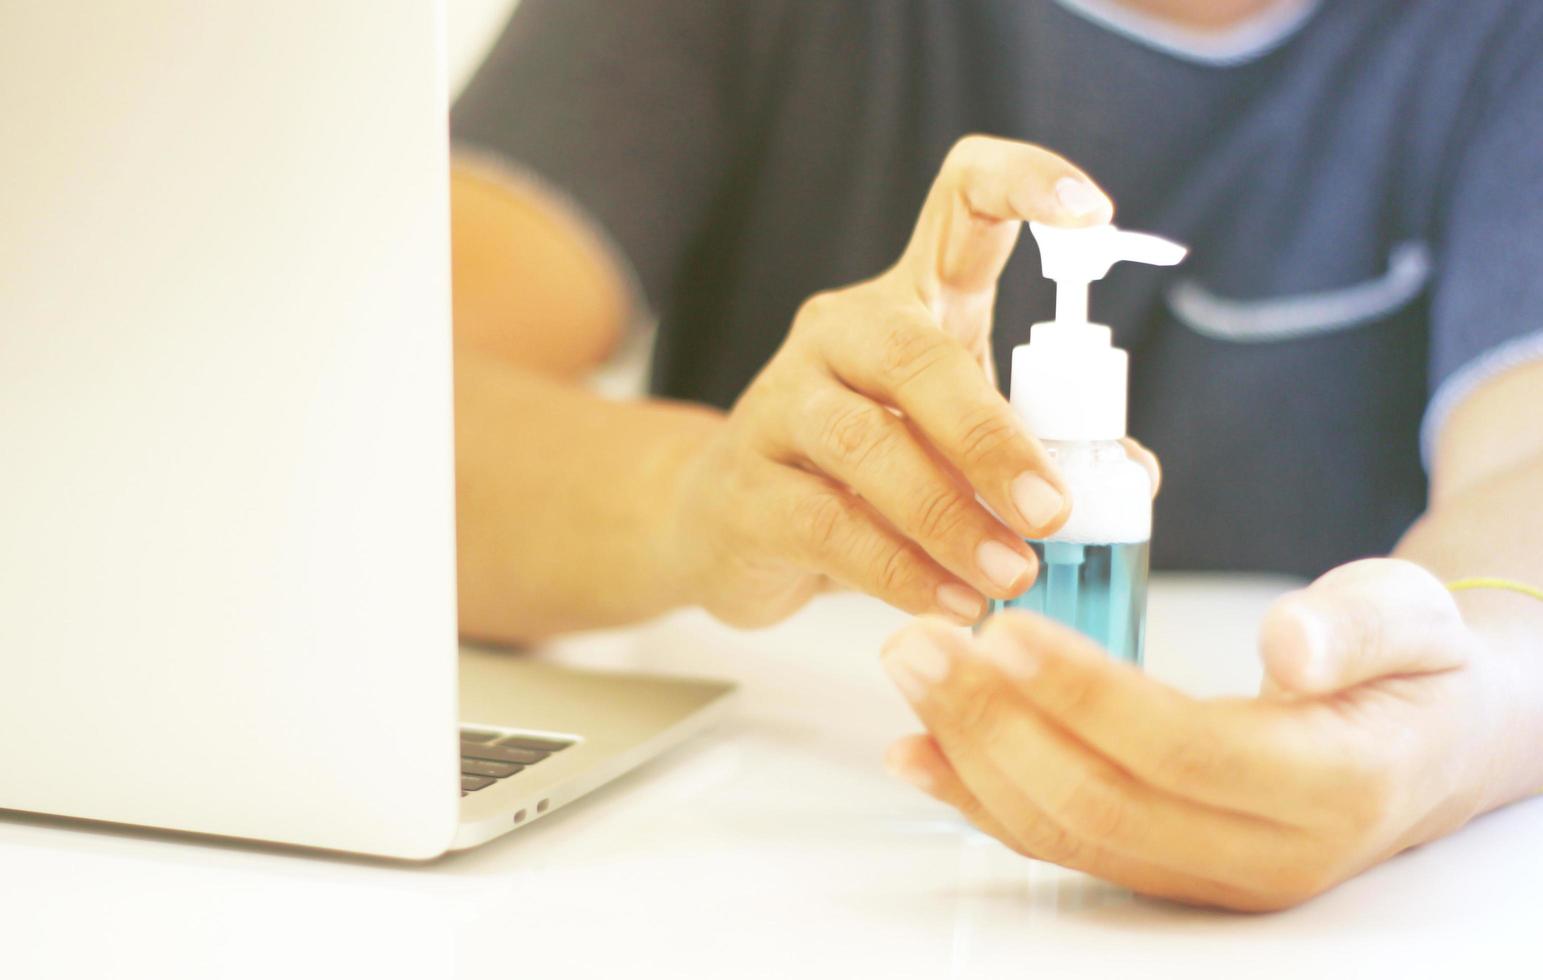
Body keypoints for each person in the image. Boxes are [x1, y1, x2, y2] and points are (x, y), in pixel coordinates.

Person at [447, 0, 1543, 909]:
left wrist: (1464, 710)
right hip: (786, 876)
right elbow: (380, 416)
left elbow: (1524, 473)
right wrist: (699, 496)